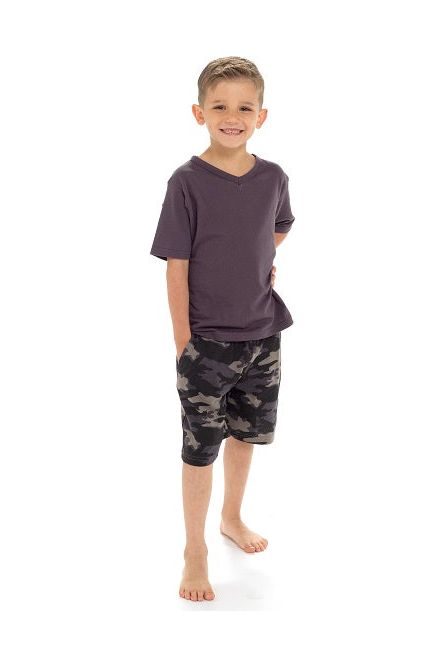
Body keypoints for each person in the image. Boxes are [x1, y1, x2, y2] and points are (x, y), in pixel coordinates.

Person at [150, 56, 295, 602]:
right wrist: (183, 341)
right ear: (199, 113)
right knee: (199, 450)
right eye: (219, 107)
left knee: (246, 435)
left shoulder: (273, 177)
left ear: (261, 116)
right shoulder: (187, 182)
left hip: (263, 335)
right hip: (206, 343)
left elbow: (277, 227)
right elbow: (176, 265)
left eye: (244, 107)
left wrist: (257, 260)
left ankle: (232, 518)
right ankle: (195, 549)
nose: (232, 117)